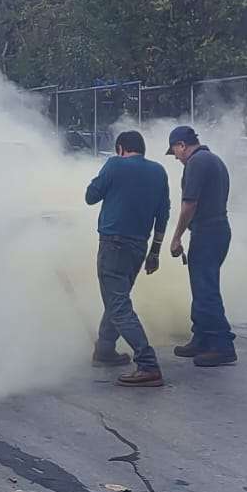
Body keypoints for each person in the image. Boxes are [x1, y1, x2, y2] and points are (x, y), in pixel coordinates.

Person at [84, 130, 171, 387]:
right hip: (139, 247)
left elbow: (90, 197)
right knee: (117, 298)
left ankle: (147, 364)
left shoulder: (114, 165)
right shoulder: (158, 172)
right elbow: (163, 215)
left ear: (121, 148)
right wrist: (155, 252)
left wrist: (103, 174)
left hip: (113, 245)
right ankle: (105, 350)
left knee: (118, 304)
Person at [165, 126, 237, 367]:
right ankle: (202, 338)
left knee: (206, 290)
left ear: (182, 145)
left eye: (175, 150)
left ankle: (222, 345)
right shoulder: (214, 160)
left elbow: (189, 204)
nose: (175, 157)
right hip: (217, 229)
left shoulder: (196, 163)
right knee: (202, 286)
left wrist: (176, 237)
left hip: (207, 231)